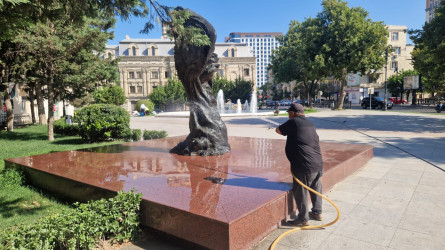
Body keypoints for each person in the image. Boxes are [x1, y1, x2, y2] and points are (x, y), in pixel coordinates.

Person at [275, 103, 324, 227]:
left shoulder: (293, 122)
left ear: (292, 113)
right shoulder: (310, 123)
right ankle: (318, 213)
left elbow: (278, 130)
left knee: (300, 191)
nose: (288, 115)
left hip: (304, 165)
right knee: (316, 188)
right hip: (317, 164)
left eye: (288, 113)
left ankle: (303, 219)